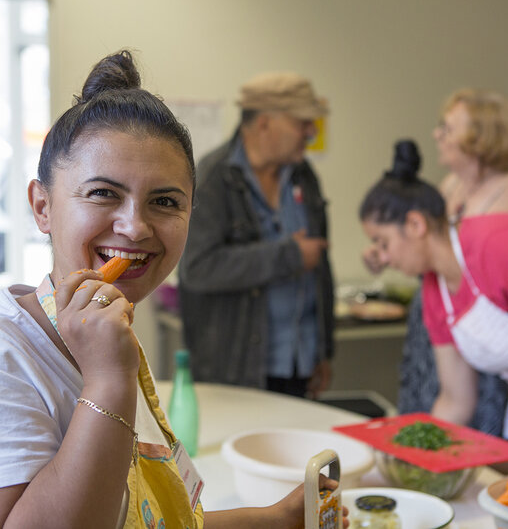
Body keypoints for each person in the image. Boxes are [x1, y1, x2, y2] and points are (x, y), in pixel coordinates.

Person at [0, 51, 348, 528]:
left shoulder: (112, 334)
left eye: (165, 201)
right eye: (103, 193)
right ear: (42, 207)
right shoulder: (12, 354)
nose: (135, 227)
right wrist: (107, 381)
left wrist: (275, 520)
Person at [363, 88, 508, 435]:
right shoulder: (437, 284)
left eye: (448, 127)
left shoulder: (506, 218)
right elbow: (455, 401)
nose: (437, 134)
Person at [178, 72, 334, 398]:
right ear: (264, 124)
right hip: (237, 368)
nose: (312, 132)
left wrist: (324, 352)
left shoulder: (304, 176)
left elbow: (321, 268)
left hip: (299, 363)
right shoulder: (212, 178)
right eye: (302, 123)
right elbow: (197, 269)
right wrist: (289, 256)